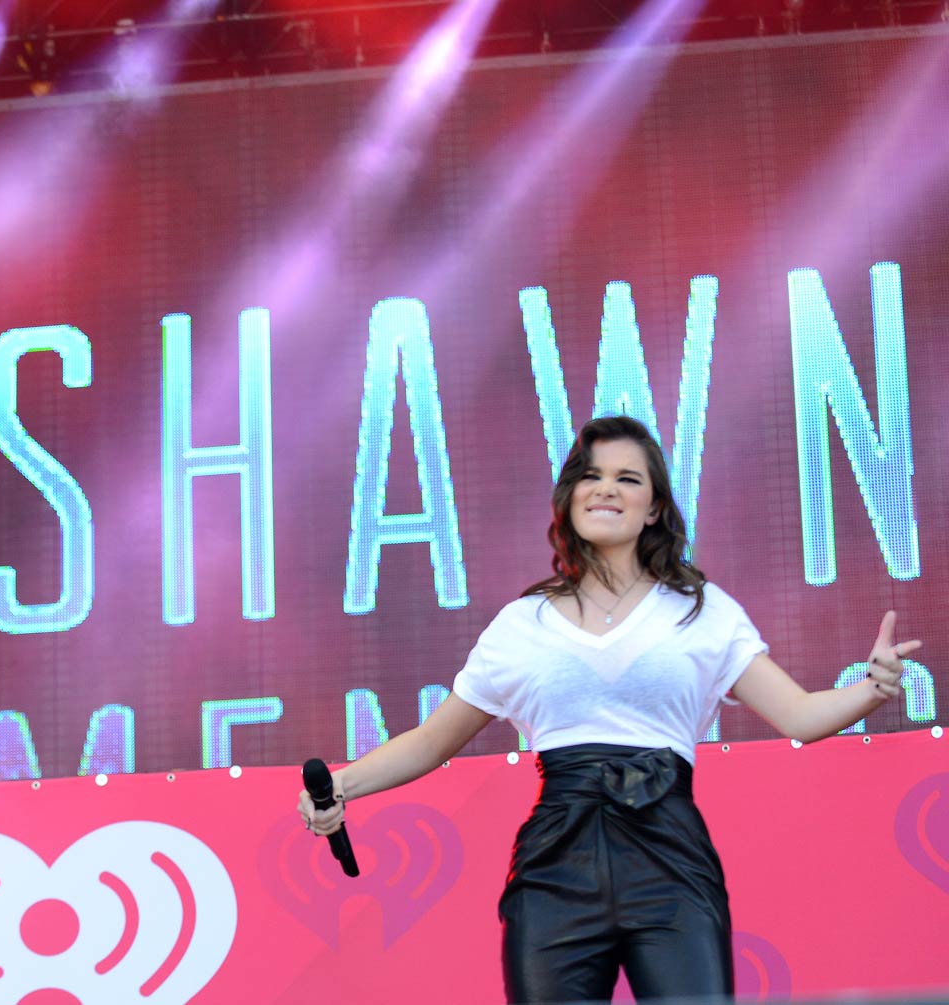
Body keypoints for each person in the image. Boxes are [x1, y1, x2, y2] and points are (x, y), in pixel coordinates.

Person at [298, 415, 919, 1004]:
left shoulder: (702, 610)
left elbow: (800, 716)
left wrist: (873, 687)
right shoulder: (523, 623)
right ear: (569, 498)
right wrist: (343, 786)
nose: (607, 490)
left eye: (629, 479)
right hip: (555, 867)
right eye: (592, 476)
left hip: (670, 862)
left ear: (653, 508)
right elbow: (434, 740)